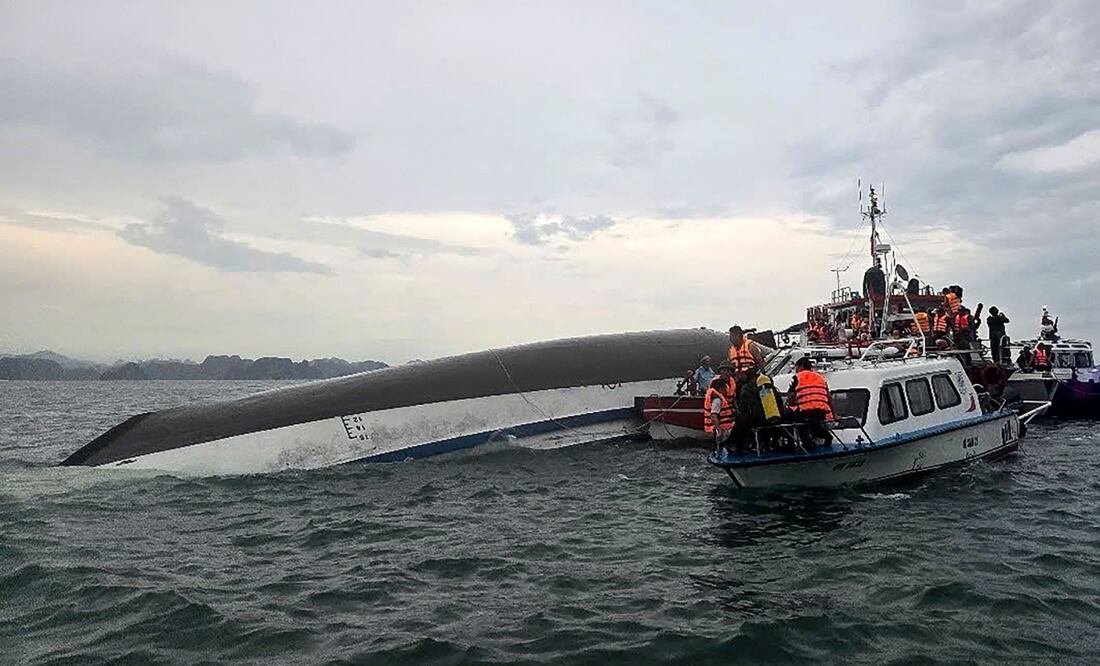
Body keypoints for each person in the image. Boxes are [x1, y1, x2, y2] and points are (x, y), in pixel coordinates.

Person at [786, 357, 834, 447]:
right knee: (815, 426)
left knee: (796, 422)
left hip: (805, 410)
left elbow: (791, 396)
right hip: (821, 410)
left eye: (796, 367)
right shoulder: (820, 377)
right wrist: (834, 414)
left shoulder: (797, 377)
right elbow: (828, 396)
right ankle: (827, 437)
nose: (796, 370)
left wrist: (791, 404)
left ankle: (798, 444)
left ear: (801, 366)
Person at [704, 374, 735, 448]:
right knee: (723, 444)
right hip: (723, 429)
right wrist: (719, 430)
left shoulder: (720, 399)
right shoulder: (717, 400)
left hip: (726, 427)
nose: (726, 391)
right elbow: (713, 415)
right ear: (720, 389)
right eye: (725, 388)